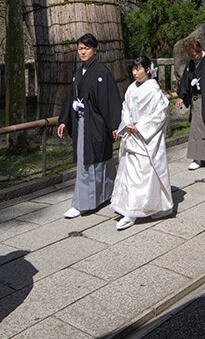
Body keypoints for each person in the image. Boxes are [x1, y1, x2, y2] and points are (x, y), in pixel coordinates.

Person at [58, 33, 122, 218]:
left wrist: (114, 125)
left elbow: (111, 100)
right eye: (80, 48)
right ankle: (82, 203)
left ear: (95, 50)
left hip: (98, 123)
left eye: (86, 48)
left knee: (101, 161)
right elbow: (70, 97)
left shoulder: (102, 73)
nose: (83, 52)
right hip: (82, 123)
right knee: (86, 162)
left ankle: (105, 195)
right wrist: (64, 120)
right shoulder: (78, 73)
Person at [111, 57, 174, 230]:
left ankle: (149, 207)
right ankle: (130, 209)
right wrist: (127, 124)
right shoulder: (131, 88)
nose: (134, 72)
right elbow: (125, 108)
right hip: (132, 135)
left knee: (146, 175)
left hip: (146, 137)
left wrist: (142, 127)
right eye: (133, 69)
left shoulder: (154, 90)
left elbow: (160, 113)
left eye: (138, 69)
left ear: (148, 69)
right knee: (130, 174)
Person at [175, 39, 205, 170]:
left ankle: (199, 157)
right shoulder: (191, 63)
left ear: (200, 51)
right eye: (191, 56)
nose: (193, 58)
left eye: (195, 55)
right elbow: (185, 80)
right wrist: (181, 97)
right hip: (196, 99)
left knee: (200, 127)